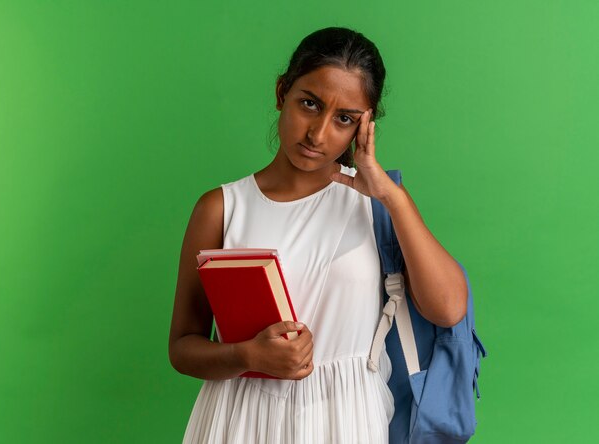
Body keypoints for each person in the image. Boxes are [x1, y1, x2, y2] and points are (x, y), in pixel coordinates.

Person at [169, 27, 468, 443]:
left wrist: (390, 196)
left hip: (347, 419)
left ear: (365, 127)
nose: (318, 134)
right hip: (239, 420)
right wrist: (247, 354)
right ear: (281, 93)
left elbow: (449, 309)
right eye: (309, 104)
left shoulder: (378, 202)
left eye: (344, 118)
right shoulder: (221, 208)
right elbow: (183, 347)